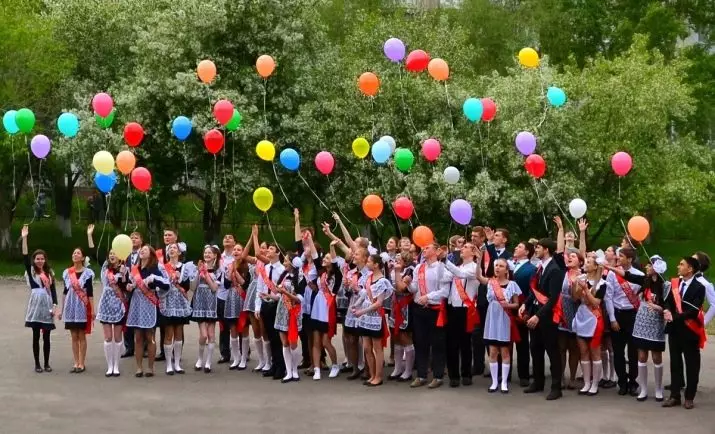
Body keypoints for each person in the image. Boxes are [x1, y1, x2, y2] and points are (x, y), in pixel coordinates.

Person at [605, 255, 670, 402]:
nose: (646, 267)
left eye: (649, 265)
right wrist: (610, 268)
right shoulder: (644, 280)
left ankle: (658, 390)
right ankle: (643, 389)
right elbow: (628, 276)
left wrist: (660, 308)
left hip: (656, 323)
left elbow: (667, 304)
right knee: (641, 355)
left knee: (656, 356)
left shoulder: (665, 285)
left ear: (656, 268)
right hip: (641, 321)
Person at [519, 238, 565, 401]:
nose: (535, 250)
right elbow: (534, 291)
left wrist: (538, 316)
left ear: (546, 250)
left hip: (547, 317)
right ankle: (538, 382)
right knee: (535, 349)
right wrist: (525, 304)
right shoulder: (540, 269)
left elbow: (553, 299)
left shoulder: (555, 270)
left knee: (552, 352)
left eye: (538, 247)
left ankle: (556, 387)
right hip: (536, 313)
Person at [662, 257, 707, 410]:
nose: (678, 266)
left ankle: (689, 397)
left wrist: (675, 317)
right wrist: (667, 310)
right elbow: (667, 300)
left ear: (690, 269)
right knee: (675, 363)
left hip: (690, 330)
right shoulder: (675, 283)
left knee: (692, 365)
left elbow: (694, 310)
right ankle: (675, 395)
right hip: (674, 330)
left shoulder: (699, 287)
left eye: (682, 264)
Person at [408, 242, 450, 389]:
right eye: (423, 248)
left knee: (437, 343)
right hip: (419, 308)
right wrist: (407, 284)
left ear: (436, 251)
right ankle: (421, 374)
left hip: (435, 308)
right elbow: (414, 287)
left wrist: (429, 296)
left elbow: (445, 291)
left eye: (427, 248)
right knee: (420, 342)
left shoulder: (441, 268)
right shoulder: (419, 267)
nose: (423, 250)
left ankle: (438, 376)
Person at [477, 258, 521, 393]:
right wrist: (479, 260)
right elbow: (478, 276)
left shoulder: (512, 284)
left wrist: (509, 305)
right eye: (496, 265)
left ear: (506, 270)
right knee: (493, 351)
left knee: (505, 351)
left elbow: (516, 304)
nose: (497, 268)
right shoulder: (491, 282)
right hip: (492, 318)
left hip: (504, 317)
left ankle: (504, 382)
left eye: (501, 266)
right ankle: (494, 381)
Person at [90, 227, 130, 378]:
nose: (112, 255)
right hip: (106, 303)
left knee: (118, 337)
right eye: (110, 254)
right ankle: (109, 366)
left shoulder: (124, 270)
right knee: (107, 337)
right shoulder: (105, 268)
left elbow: (126, 287)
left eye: (115, 253)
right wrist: (90, 236)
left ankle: (116, 365)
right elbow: (95, 254)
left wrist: (125, 277)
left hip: (118, 303)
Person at [605, 247, 644, 396]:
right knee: (618, 351)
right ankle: (622, 382)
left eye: (621, 256)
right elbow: (608, 297)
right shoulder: (612, 274)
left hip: (633, 315)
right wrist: (612, 318)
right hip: (617, 315)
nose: (618, 258)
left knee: (633, 352)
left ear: (630, 259)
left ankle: (633, 382)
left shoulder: (639, 276)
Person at [126, 245, 170, 377]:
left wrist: (154, 280)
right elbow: (130, 285)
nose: (141, 251)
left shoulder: (155, 269)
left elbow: (166, 284)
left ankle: (150, 368)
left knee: (150, 336)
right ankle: (139, 368)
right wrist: (129, 286)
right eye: (141, 250)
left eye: (145, 250)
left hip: (150, 303)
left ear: (150, 254)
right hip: (137, 303)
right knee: (138, 337)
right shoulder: (135, 270)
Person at [21, 225, 58, 373]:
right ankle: (37, 363)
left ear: (45, 260)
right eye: (37, 258)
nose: (40, 261)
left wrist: (55, 304)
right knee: (36, 335)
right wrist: (25, 238)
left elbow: (53, 290)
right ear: (34, 260)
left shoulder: (50, 273)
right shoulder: (31, 272)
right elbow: (24, 257)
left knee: (47, 336)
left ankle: (47, 363)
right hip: (36, 304)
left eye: (42, 258)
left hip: (47, 304)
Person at [305, 235, 343, 380]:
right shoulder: (321, 272)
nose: (324, 260)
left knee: (326, 341)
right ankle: (316, 369)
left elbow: (334, 260)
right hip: (317, 307)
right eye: (325, 258)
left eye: (327, 258)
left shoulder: (336, 275)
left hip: (328, 308)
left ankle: (334, 365)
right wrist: (309, 240)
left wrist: (332, 247)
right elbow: (314, 255)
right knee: (316, 340)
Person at [354, 254, 394, 387]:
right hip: (365, 317)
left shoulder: (382, 281)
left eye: (369, 261)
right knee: (366, 347)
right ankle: (371, 374)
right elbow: (364, 294)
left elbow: (378, 303)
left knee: (377, 348)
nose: (367, 263)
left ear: (376, 264)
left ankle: (378, 376)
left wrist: (361, 311)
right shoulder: (368, 277)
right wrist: (357, 305)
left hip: (375, 317)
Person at [444, 242, 479, 388]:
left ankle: (466, 374)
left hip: (466, 309)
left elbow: (462, 275)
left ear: (472, 253)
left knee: (465, 343)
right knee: (451, 344)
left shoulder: (475, 268)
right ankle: (453, 376)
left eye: (465, 247)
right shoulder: (457, 266)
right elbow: (445, 278)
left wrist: (445, 261)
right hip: (452, 308)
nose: (462, 249)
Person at [571, 254, 607, 396]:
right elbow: (575, 298)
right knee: (583, 351)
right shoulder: (581, 279)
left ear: (596, 266)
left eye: (588, 262)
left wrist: (586, 290)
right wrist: (576, 286)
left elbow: (596, 303)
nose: (585, 264)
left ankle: (595, 384)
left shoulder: (602, 284)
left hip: (594, 318)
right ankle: (586, 383)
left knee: (595, 352)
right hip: (582, 316)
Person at [159, 243, 194, 375]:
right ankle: (168, 364)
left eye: (174, 248)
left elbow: (188, 287)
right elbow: (160, 285)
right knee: (168, 333)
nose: (172, 250)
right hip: (168, 302)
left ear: (179, 252)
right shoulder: (162, 267)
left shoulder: (185, 267)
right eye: (170, 249)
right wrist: (169, 280)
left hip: (180, 303)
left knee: (179, 333)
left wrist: (179, 279)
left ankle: (177, 363)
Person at [60, 245, 95, 374]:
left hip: (82, 305)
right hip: (70, 305)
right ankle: (75, 362)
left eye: (78, 253)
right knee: (73, 335)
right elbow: (65, 291)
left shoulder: (87, 273)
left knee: (81, 335)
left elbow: (90, 292)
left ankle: (82, 362)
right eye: (74, 253)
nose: (75, 255)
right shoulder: (67, 272)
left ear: (82, 257)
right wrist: (62, 309)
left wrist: (92, 309)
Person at [255, 243, 287, 380]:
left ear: (278, 253)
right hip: (265, 305)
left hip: (277, 305)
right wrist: (257, 306)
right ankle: (274, 365)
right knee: (269, 335)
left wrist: (274, 297)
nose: (268, 251)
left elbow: (283, 291)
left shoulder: (283, 270)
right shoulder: (265, 268)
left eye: (272, 249)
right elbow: (259, 288)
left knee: (277, 337)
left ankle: (281, 366)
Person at [190, 245, 224, 373]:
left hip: (211, 303)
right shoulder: (198, 268)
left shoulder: (218, 270)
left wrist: (207, 276)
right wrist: (199, 273)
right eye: (205, 253)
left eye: (210, 253)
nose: (207, 255)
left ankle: (208, 362)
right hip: (199, 302)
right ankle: (199, 359)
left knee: (211, 334)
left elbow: (215, 288)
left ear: (215, 255)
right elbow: (192, 287)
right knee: (203, 335)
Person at [274, 253, 303, 383]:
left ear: (292, 263)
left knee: (293, 342)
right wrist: (270, 295)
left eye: (286, 260)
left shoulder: (301, 278)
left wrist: (285, 292)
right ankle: (289, 371)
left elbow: (299, 299)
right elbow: (277, 293)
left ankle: (295, 370)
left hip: (293, 311)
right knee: (284, 342)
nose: (284, 262)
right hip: (282, 310)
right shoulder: (283, 276)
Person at [511, 241, 536, 387]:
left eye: (519, 247)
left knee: (522, 343)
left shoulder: (531, 269)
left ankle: (524, 374)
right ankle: (504, 373)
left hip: (522, 308)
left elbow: (532, 291)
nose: (515, 248)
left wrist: (527, 308)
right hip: (507, 307)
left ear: (527, 252)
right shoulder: (509, 266)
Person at [224, 242, 253, 370]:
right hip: (231, 297)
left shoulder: (247, 267)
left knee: (244, 328)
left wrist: (236, 273)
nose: (235, 251)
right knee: (233, 328)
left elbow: (246, 284)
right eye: (234, 249)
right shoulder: (229, 265)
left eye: (238, 250)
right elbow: (225, 284)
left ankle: (243, 357)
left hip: (242, 298)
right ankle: (235, 357)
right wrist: (230, 274)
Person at [388, 252, 415, 382]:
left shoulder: (410, 270)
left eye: (399, 260)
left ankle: (408, 371)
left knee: (405, 337)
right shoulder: (394, 270)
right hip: (395, 305)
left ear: (405, 261)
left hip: (406, 307)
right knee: (396, 336)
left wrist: (397, 272)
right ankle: (398, 368)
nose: (396, 262)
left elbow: (401, 288)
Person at [122, 231, 143, 358]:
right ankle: (129, 347)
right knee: (127, 318)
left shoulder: (146, 253)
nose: (134, 239)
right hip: (128, 291)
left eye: (136, 237)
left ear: (141, 240)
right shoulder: (125, 255)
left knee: (142, 318)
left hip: (142, 290)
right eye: (131, 238)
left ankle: (144, 347)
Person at [217, 233, 237, 364]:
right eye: (225, 237)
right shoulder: (218, 258)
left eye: (230, 237)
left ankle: (241, 351)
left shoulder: (238, 257)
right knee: (223, 325)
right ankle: (225, 353)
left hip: (235, 294)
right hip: (221, 294)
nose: (227, 239)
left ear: (234, 242)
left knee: (236, 324)